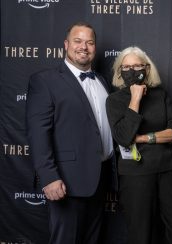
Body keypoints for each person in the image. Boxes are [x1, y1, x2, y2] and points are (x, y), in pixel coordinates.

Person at [26, 22, 116, 244]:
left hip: (99, 180)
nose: (83, 47)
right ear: (66, 44)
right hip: (66, 182)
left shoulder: (102, 81)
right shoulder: (45, 80)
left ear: (95, 48)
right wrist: (49, 177)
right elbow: (38, 134)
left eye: (90, 42)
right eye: (78, 41)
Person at [105, 46, 172, 244]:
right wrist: (135, 98)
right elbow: (124, 137)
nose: (132, 71)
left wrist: (144, 138)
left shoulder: (160, 95)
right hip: (135, 176)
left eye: (137, 65)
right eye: (126, 67)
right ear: (120, 72)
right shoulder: (114, 101)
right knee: (141, 235)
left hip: (166, 170)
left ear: (147, 68)